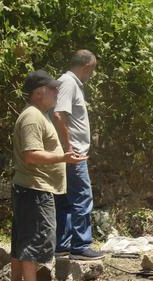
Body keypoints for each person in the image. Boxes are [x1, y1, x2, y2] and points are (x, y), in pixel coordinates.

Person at [9, 70, 87, 281]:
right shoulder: (33, 117)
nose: (56, 93)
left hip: (31, 187)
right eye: (53, 90)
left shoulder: (37, 114)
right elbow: (31, 155)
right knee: (34, 239)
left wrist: (63, 156)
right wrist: (63, 158)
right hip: (35, 187)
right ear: (39, 93)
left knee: (22, 239)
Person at [53, 49, 104, 260]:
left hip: (70, 152)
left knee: (65, 200)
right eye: (92, 70)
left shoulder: (69, 83)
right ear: (87, 67)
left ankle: (62, 245)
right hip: (73, 154)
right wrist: (69, 148)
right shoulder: (68, 82)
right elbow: (58, 114)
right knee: (83, 197)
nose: (91, 75)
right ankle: (80, 246)